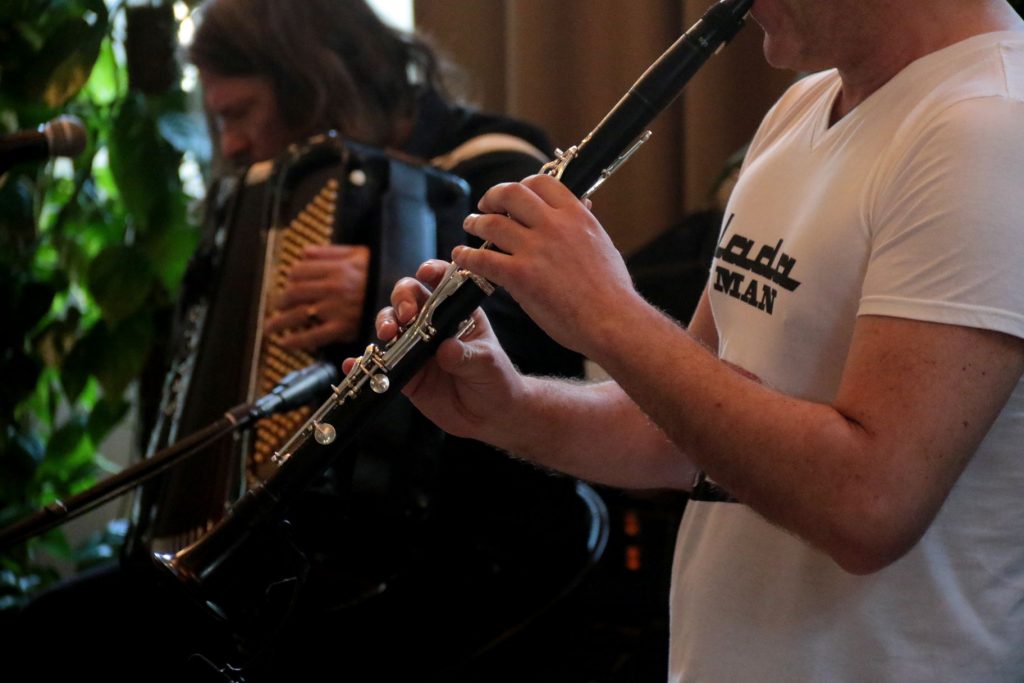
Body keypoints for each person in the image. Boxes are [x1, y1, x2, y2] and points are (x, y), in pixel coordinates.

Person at [375, 1, 1024, 681]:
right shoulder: (804, 105)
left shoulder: (988, 126)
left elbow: (870, 506)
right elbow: (685, 430)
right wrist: (510, 408)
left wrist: (606, 313)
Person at [16, 1, 589, 681]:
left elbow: (553, 345)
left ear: (314, 82)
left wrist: (386, 288)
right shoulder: (254, 206)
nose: (230, 144)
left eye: (240, 113)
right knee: (42, 635)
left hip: (446, 566)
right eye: (218, 119)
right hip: (274, 571)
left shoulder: (495, 162)